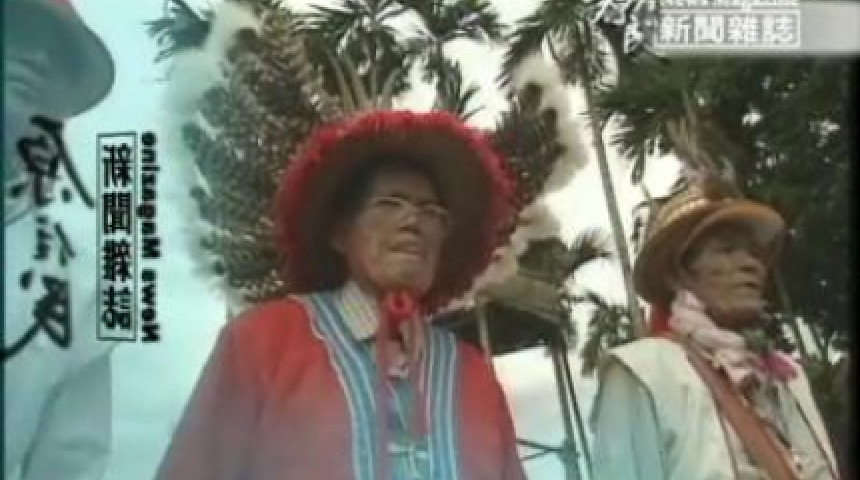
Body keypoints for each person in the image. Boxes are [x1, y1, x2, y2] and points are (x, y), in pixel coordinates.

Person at [154, 110, 528, 480]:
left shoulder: (474, 374)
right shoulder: (261, 341)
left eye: (431, 212)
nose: (413, 221)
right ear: (339, 233)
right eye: (390, 204)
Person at [590, 177, 842, 480]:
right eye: (727, 250)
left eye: (754, 253)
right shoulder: (644, 370)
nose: (751, 264)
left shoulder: (789, 375)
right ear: (678, 275)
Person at [3, 0, 115, 479]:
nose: (39, 58)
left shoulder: (78, 286)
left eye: (59, 54)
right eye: (15, 30)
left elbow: (69, 463)